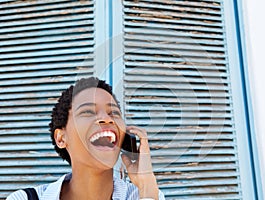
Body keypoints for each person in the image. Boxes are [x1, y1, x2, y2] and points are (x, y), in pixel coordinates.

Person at [7, 77, 165, 200]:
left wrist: (146, 186)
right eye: (88, 112)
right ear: (61, 138)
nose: (107, 119)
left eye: (114, 113)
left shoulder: (145, 195)